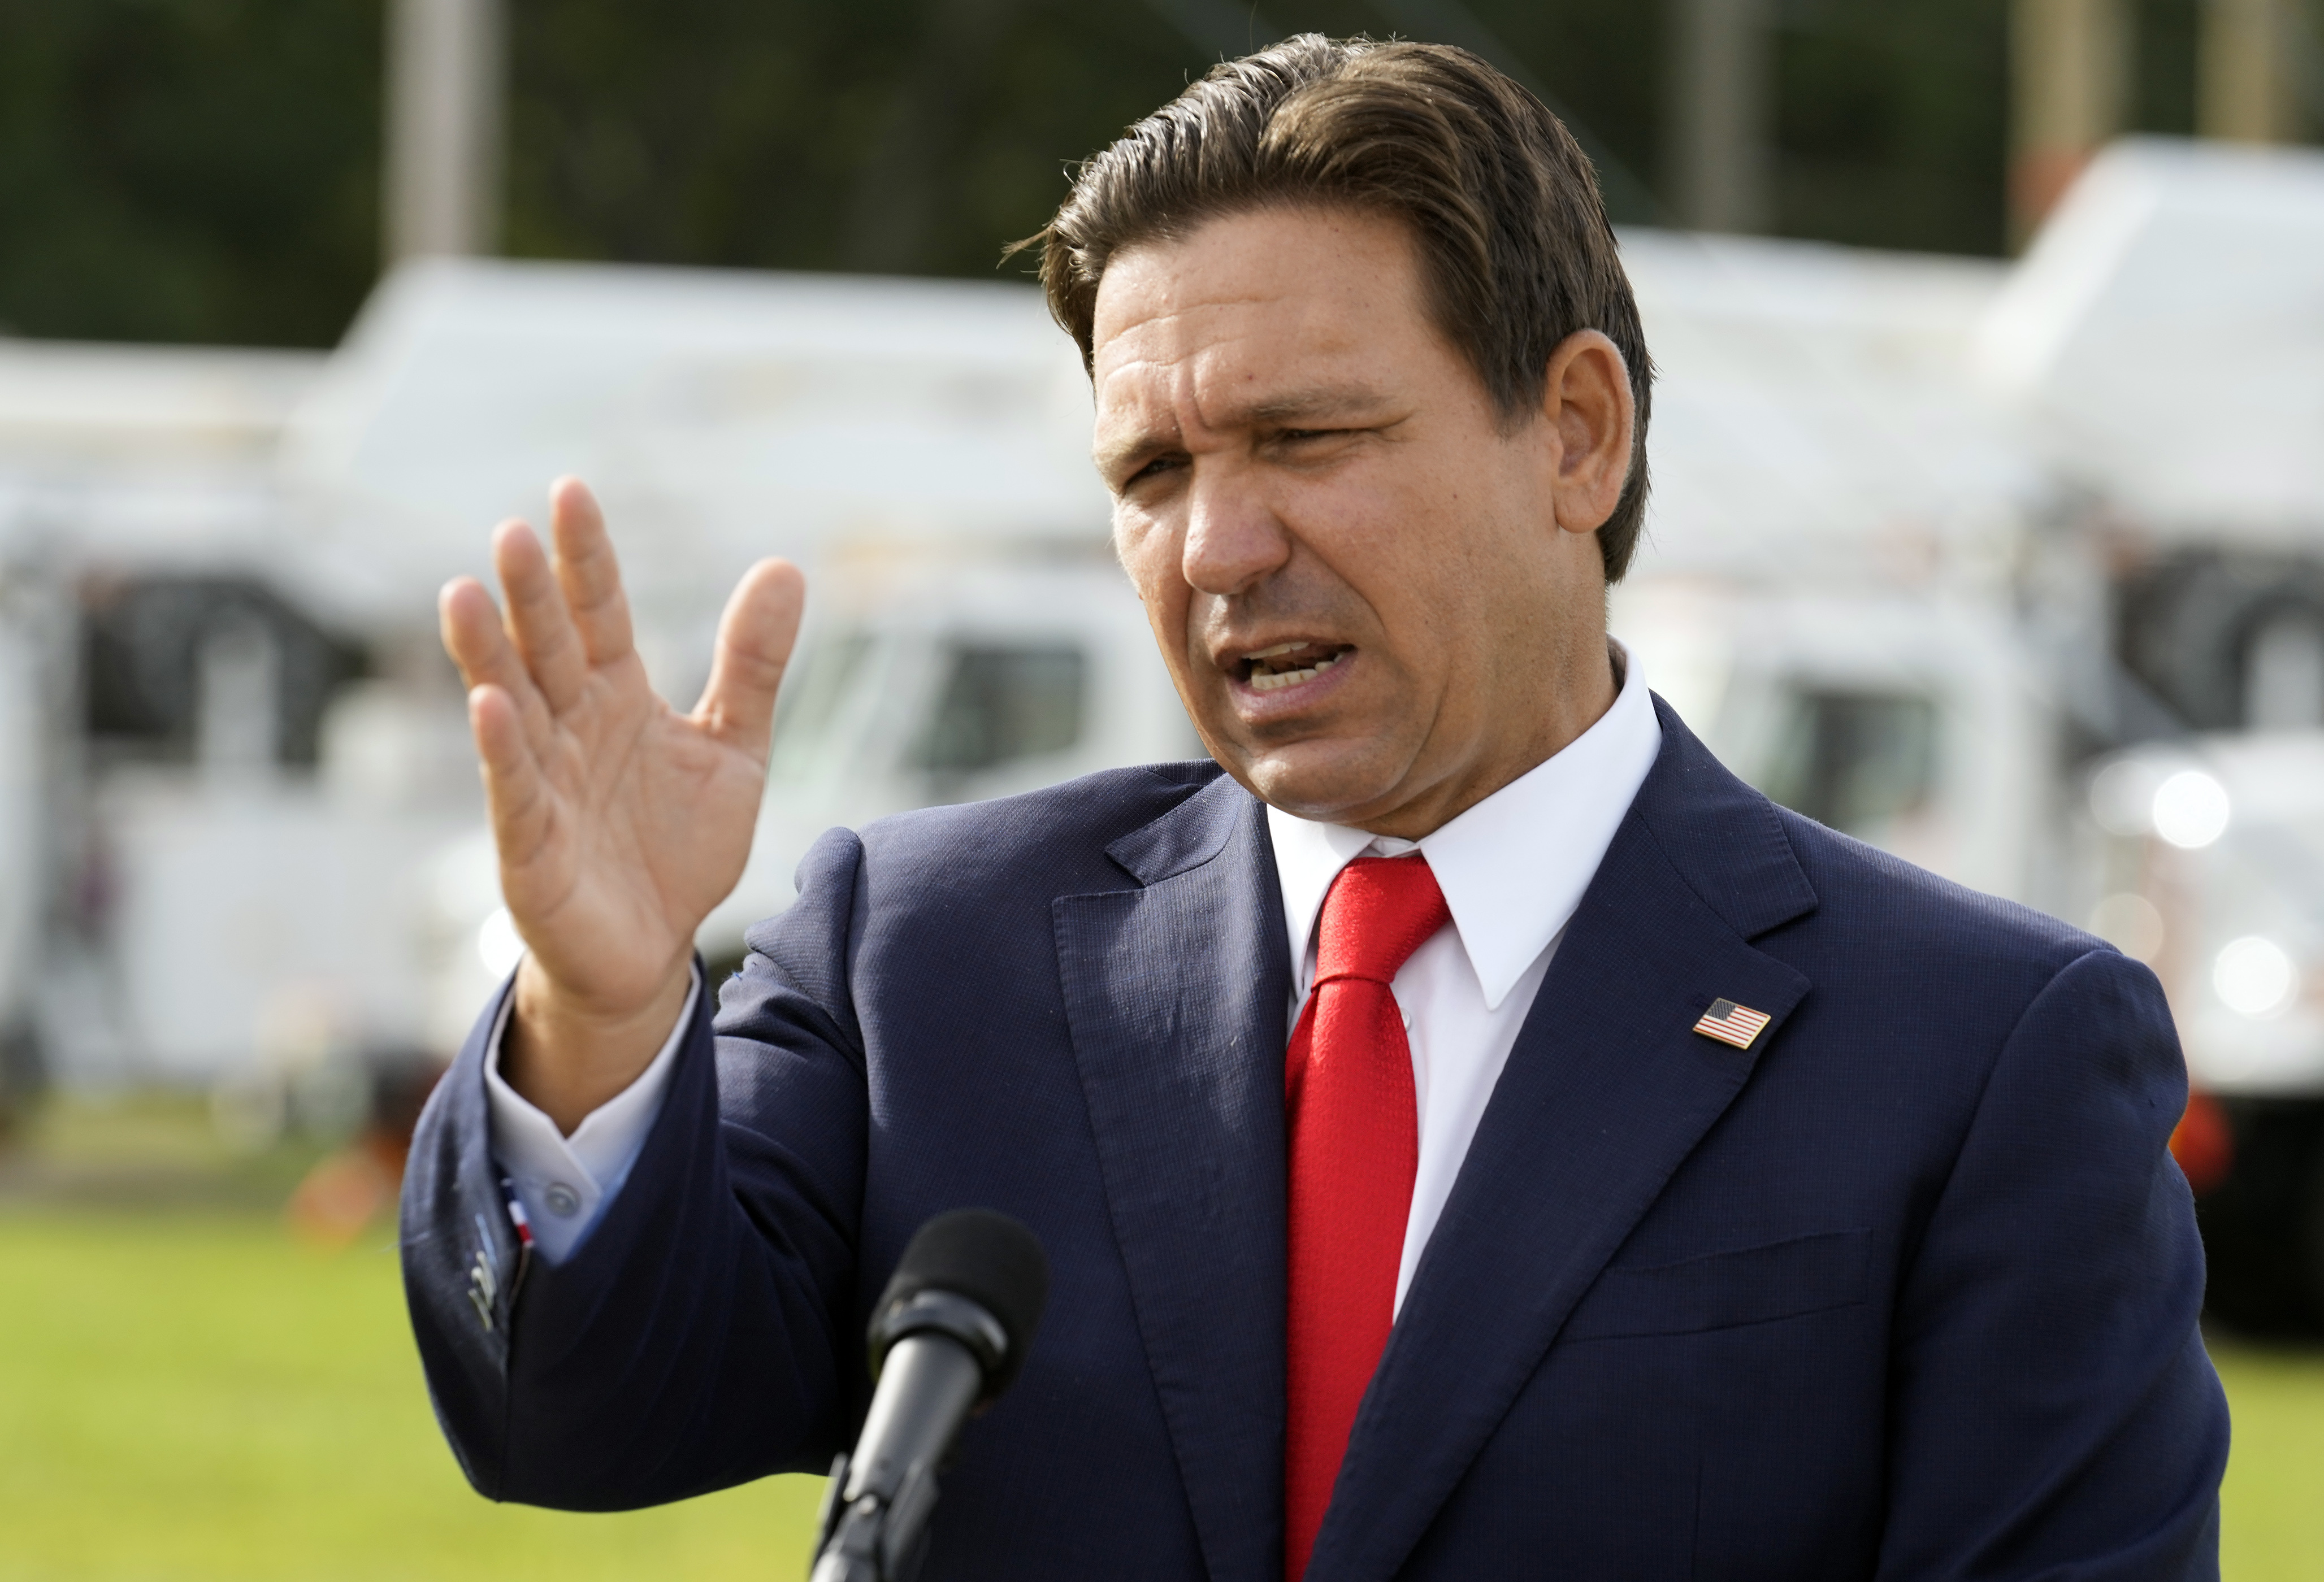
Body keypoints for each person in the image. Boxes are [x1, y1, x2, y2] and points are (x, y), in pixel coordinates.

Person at [402, 34, 2226, 1580]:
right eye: (1153, 468)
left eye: (1303, 440)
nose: (1219, 545)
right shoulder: (927, 952)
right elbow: (574, 1412)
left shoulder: (1982, 1056)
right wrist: (611, 1013)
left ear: (1576, 434)